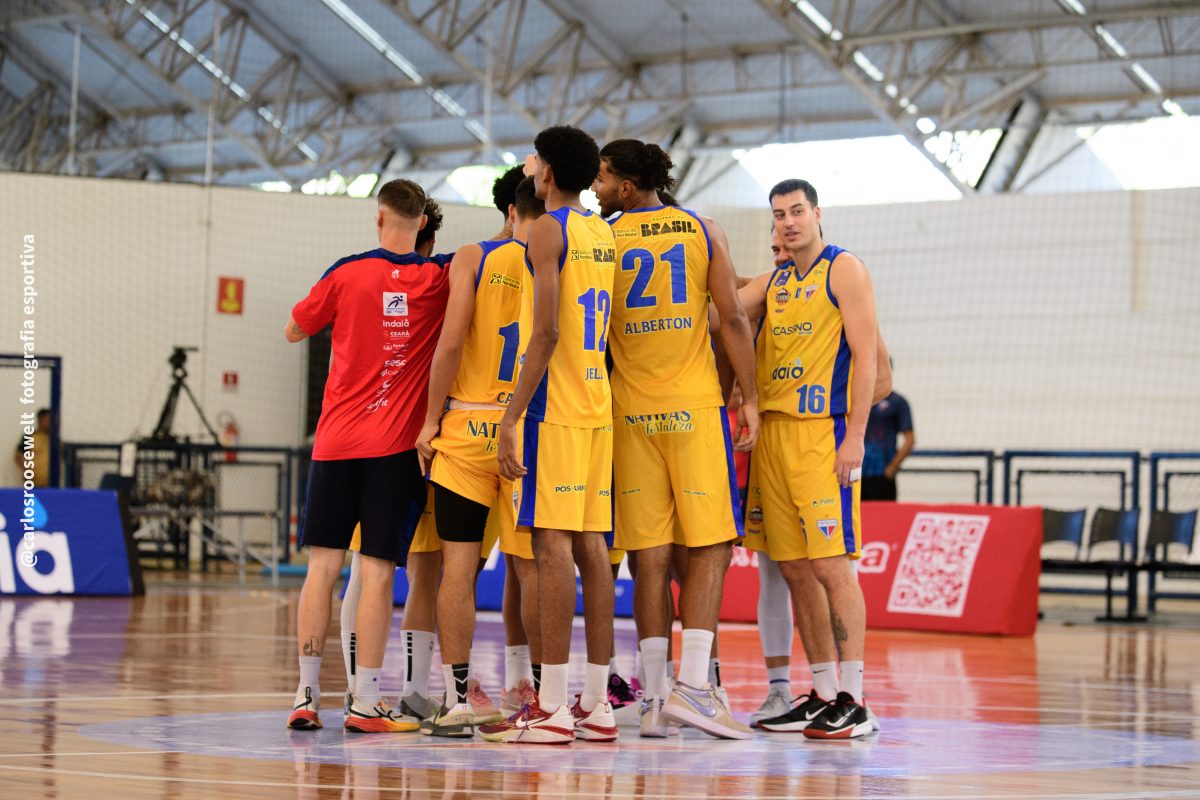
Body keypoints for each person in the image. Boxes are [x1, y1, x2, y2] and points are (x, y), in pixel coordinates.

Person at [593, 139, 758, 740]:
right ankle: (694, 686)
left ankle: (656, 700)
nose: (595, 188)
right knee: (711, 544)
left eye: (602, 179)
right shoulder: (702, 229)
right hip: (692, 410)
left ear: (626, 187)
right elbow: (732, 318)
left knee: (650, 556)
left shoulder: (602, 238)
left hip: (628, 414)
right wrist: (750, 396)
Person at [285, 178, 448, 734]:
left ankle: (307, 695)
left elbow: (294, 330)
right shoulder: (439, 277)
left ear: (379, 218)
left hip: (334, 446)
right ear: (423, 223)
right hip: (393, 452)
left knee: (322, 568)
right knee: (377, 572)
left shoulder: (345, 272)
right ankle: (365, 703)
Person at [484, 125, 618, 744]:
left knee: (552, 548)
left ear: (549, 171)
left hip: (555, 407)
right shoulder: (602, 231)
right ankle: (597, 703)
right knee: (593, 548)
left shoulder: (547, 229)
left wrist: (511, 416)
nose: (530, 166)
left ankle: (554, 706)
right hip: (597, 403)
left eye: (536, 158)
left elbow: (546, 332)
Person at [738, 178, 882, 740]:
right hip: (773, 437)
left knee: (831, 567)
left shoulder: (844, 269)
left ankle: (856, 698)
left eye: (797, 211)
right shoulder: (774, 280)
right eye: (779, 215)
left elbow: (868, 360)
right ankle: (822, 692)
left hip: (823, 433)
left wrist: (856, 435)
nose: (789, 222)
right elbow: (719, 306)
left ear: (817, 214)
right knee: (794, 569)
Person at [413, 177, 546, 737]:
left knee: (458, 568)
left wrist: (429, 420)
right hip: (530, 431)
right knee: (533, 569)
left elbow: (449, 343)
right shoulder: (559, 257)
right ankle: (543, 696)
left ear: (509, 210)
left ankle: (458, 697)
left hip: (468, 430)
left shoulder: (473, 256)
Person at [862, 369, 914, 501]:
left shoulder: (897, 402)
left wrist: (892, 468)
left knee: (883, 513)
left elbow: (909, 439)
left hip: (882, 474)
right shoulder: (857, 399)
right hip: (856, 473)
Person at [13, 408, 51, 487]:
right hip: (34, 482)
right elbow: (18, 456)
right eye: (47, 419)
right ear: (40, 420)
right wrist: (27, 471)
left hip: (51, 483)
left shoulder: (54, 439)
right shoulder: (30, 436)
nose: (49, 422)